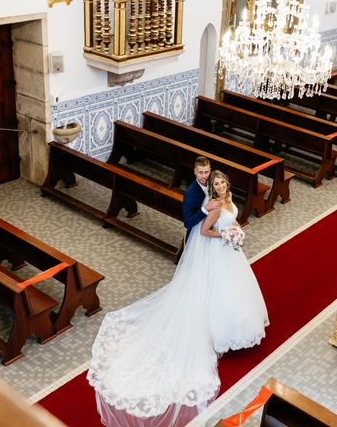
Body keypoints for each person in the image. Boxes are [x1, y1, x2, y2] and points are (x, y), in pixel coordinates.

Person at [88, 170, 269, 427]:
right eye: (214, 183)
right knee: (216, 292)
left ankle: (235, 329)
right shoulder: (216, 207)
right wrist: (226, 236)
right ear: (213, 188)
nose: (218, 186)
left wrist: (236, 230)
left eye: (221, 182)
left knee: (235, 291)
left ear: (227, 184)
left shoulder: (229, 201)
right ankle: (219, 333)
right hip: (220, 250)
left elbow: (234, 221)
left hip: (231, 254)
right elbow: (205, 231)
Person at [182, 156, 219, 242]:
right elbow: (187, 223)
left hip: (214, 229)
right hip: (197, 235)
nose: (204, 176)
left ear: (210, 170)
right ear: (195, 171)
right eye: (200, 172)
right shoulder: (190, 193)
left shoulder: (213, 182)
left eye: (206, 172)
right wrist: (205, 209)